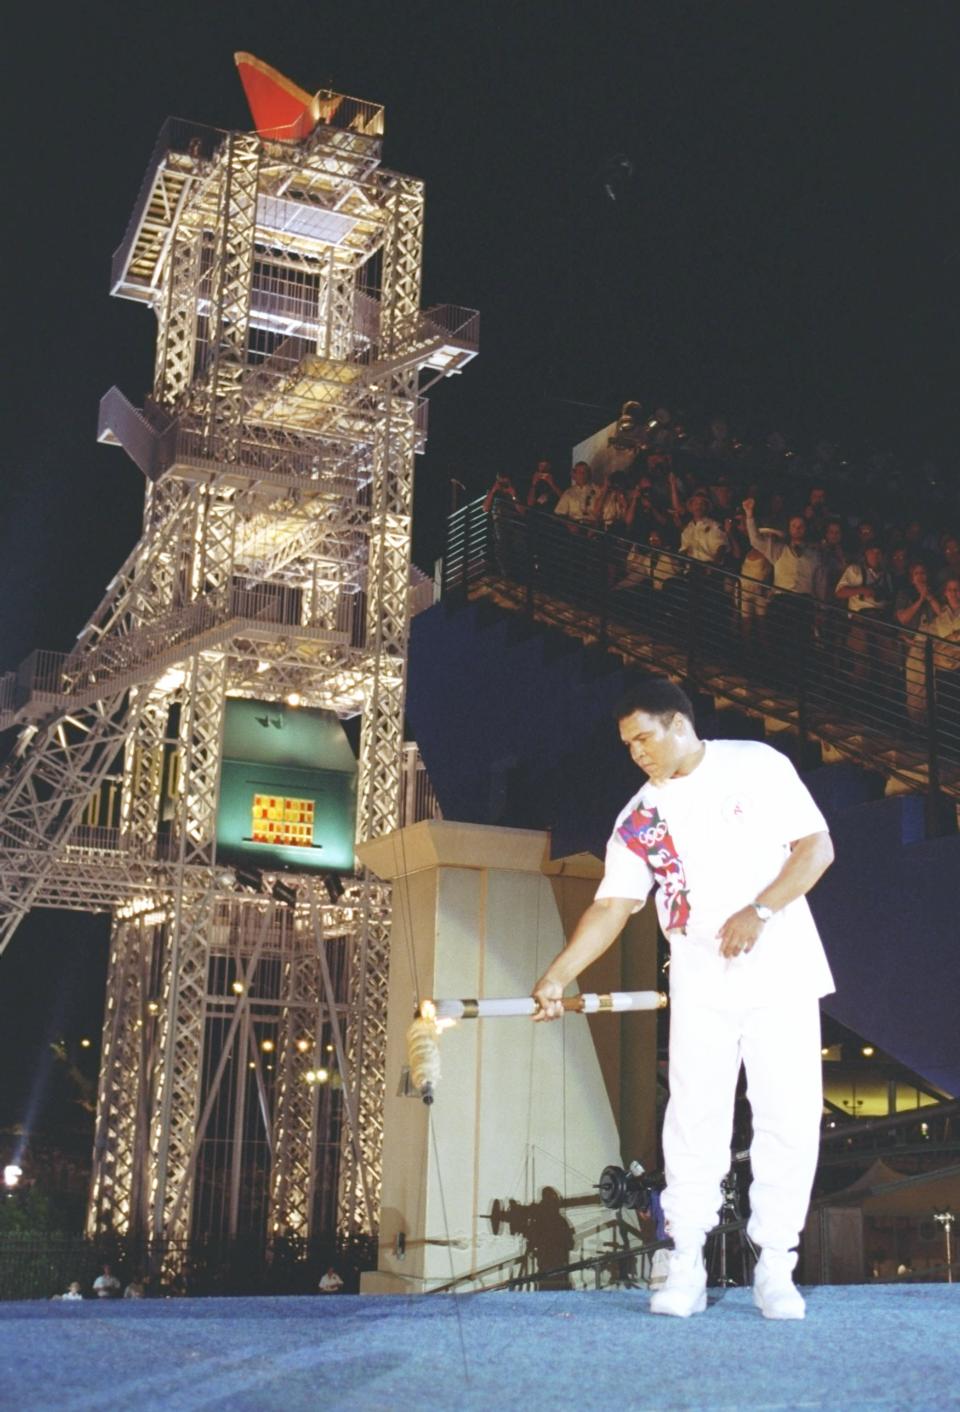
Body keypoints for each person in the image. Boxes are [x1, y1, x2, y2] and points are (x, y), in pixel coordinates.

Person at [532, 676, 834, 1321]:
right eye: (627, 744)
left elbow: (816, 848)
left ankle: (776, 1264)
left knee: (789, 1116)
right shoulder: (639, 816)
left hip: (780, 968)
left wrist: (759, 909)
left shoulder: (756, 764)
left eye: (644, 737)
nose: (636, 751)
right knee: (694, 1120)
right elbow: (613, 904)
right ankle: (686, 1261)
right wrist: (560, 974)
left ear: (678, 724)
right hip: (701, 979)